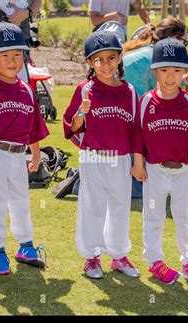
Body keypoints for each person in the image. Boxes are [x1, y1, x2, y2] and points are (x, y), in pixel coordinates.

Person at [0, 22, 49, 275]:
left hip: (17, 155)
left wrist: (36, 153)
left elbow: (33, 125)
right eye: (4, 55)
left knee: (20, 202)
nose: (12, 60)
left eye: (17, 54)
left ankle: (25, 246)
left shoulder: (26, 89)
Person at [131, 38, 188, 285]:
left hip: (183, 171)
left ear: (184, 73)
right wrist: (137, 163)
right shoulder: (145, 101)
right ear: (155, 71)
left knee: (186, 218)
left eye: (177, 71)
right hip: (154, 170)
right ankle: (155, 261)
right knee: (153, 216)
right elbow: (137, 136)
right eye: (164, 70)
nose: (170, 77)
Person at [63, 31, 140, 280]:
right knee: (93, 207)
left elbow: (136, 129)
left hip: (120, 158)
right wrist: (81, 113)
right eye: (98, 60)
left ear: (120, 58)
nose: (105, 65)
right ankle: (92, 257)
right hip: (93, 157)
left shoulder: (129, 91)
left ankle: (118, 255)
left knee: (119, 207)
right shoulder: (85, 89)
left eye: (111, 58)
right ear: (89, 63)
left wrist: (137, 161)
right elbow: (71, 127)